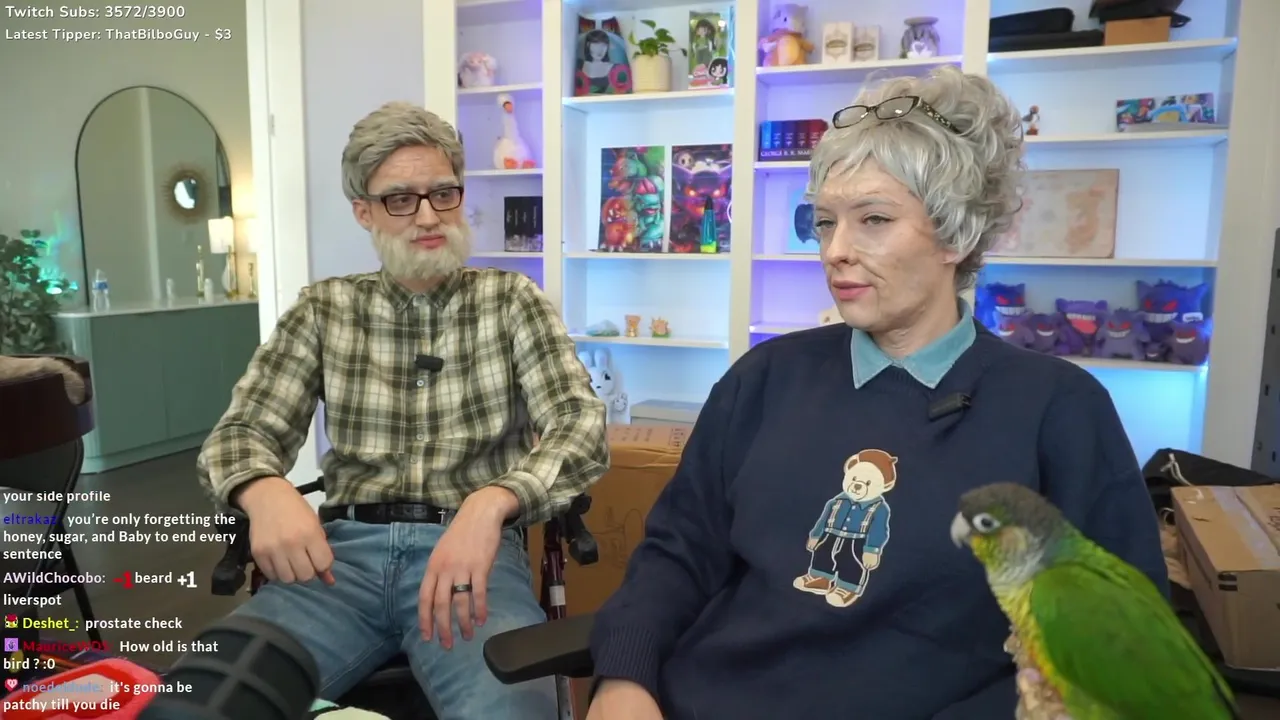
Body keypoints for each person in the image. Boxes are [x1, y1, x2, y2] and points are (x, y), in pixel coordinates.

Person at [586, 67, 1168, 719]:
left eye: (874, 219)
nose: (836, 250)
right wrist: (624, 677)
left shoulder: (1057, 410)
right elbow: (677, 553)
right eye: (824, 221)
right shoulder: (763, 379)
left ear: (956, 234)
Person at [197, 102, 609, 718]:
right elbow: (239, 433)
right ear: (363, 211)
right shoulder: (324, 310)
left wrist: (492, 502)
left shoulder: (511, 301)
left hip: (472, 565)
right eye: (400, 200)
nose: (427, 215)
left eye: (443, 193)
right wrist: (262, 490)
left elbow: (581, 423)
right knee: (202, 701)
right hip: (335, 567)